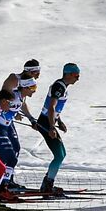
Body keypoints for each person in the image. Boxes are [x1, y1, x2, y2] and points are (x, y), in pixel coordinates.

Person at [0, 60, 41, 193]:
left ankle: (8, 180)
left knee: (16, 149)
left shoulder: (27, 83)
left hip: (9, 122)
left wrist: (29, 118)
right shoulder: (14, 79)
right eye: (36, 72)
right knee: (8, 155)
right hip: (0, 122)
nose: (38, 75)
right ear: (28, 70)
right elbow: (1, 99)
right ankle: (0, 182)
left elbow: (21, 102)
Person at [35, 62, 80, 195]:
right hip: (45, 122)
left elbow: (54, 109)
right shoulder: (59, 86)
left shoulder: (62, 86)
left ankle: (48, 182)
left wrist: (59, 121)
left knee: (61, 155)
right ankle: (47, 185)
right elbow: (51, 107)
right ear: (69, 74)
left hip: (49, 121)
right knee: (59, 155)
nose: (78, 78)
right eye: (76, 75)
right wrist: (51, 126)